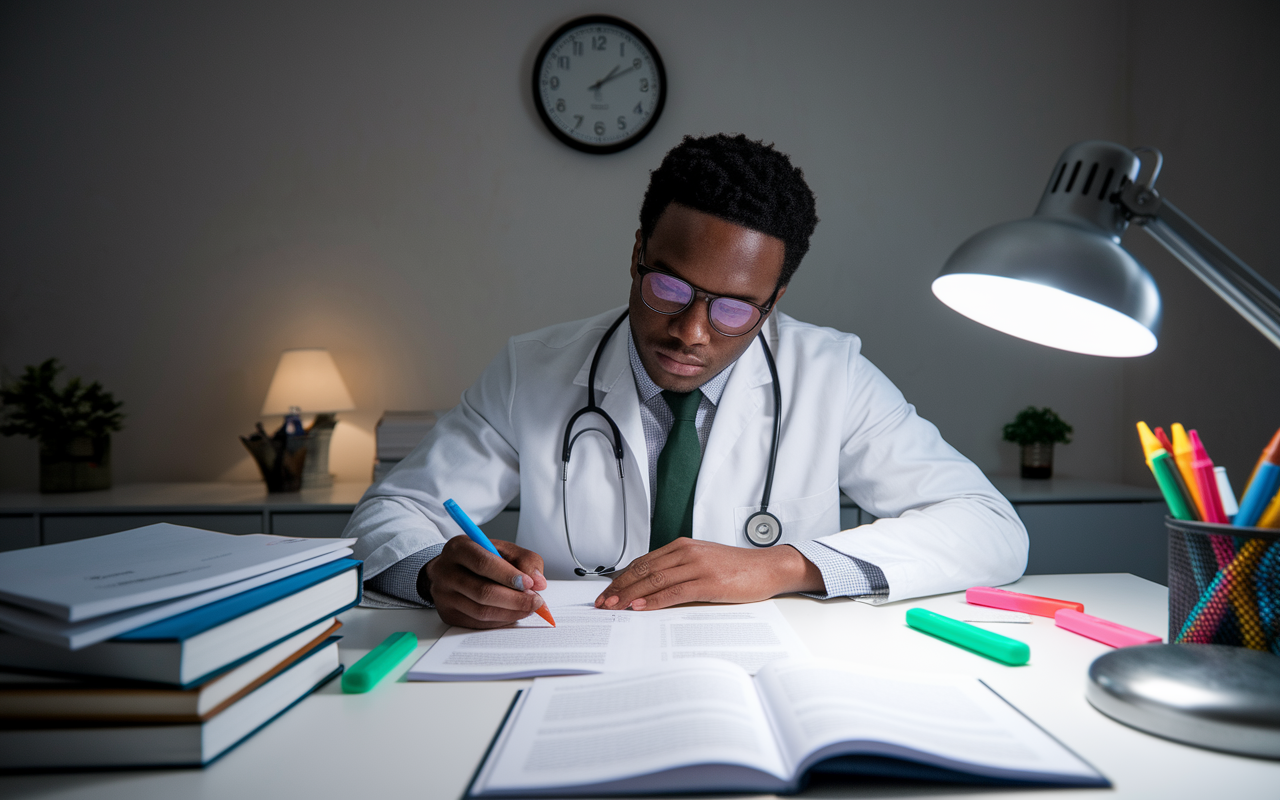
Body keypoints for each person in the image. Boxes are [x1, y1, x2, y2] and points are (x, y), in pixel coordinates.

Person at [343, 133, 1027, 628]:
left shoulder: (831, 374)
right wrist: (436, 576)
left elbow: (992, 528)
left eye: (735, 308)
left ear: (776, 299)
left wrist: (782, 566)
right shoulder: (534, 369)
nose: (692, 332)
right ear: (638, 253)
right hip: (567, 675)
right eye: (670, 287)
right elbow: (389, 515)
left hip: (761, 675)